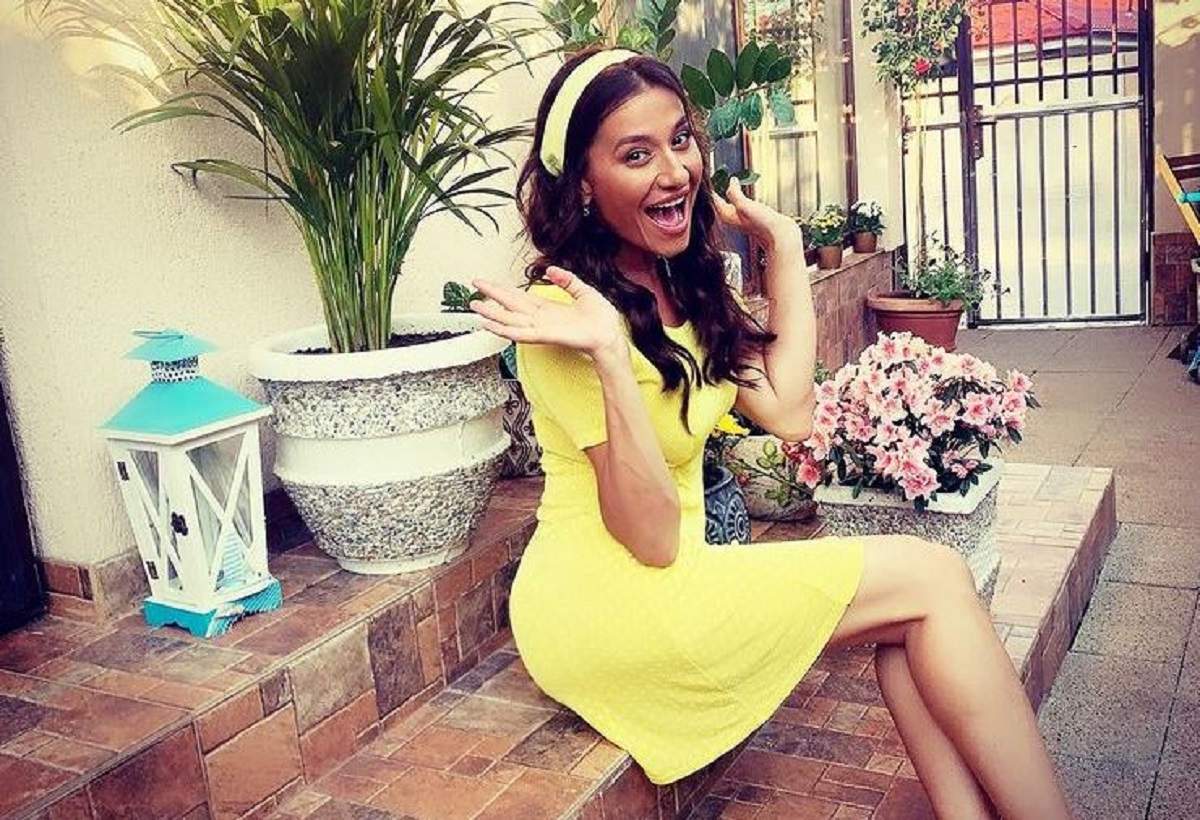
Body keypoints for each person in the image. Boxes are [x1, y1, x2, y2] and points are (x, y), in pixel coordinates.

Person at [468, 47, 1071, 819]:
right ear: (583, 182)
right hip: (603, 603)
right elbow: (651, 538)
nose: (675, 172)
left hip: (672, 574)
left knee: (915, 620)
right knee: (931, 579)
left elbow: (790, 412)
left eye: (680, 140)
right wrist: (612, 358)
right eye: (635, 155)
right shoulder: (564, 321)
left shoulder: (679, 280)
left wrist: (784, 248)